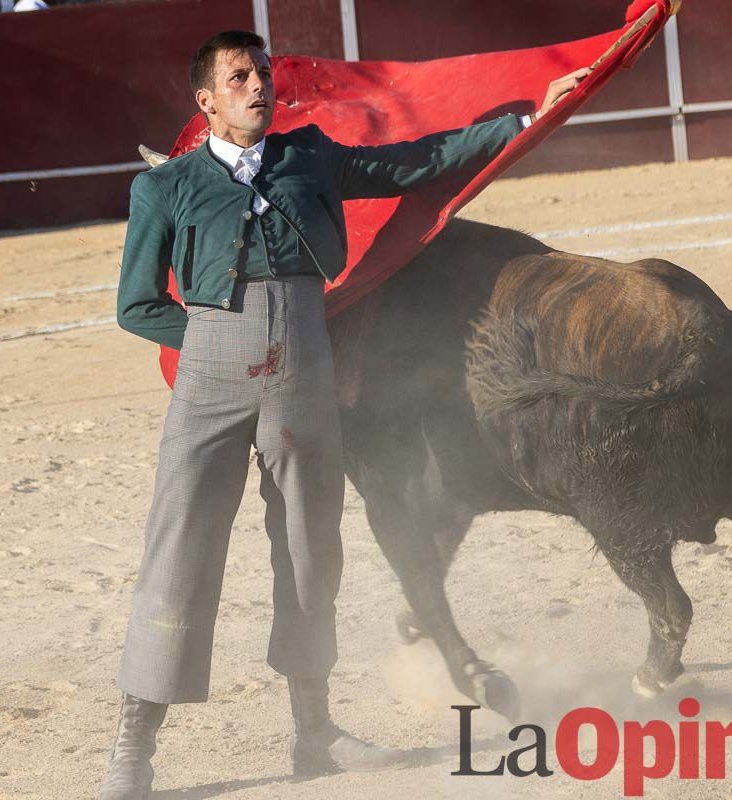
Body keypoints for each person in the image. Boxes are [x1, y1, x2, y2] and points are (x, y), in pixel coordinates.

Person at [100, 29, 588, 800]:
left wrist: (526, 117)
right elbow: (136, 305)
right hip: (213, 376)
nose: (258, 85)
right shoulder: (167, 187)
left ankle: (314, 734)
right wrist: (211, 344)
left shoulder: (311, 157)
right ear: (206, 101)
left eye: (262, 72)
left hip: (303, 367)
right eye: (239, 77)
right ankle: (134, 746)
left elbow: (416, 162)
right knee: (182, 549)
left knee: (308, 547)